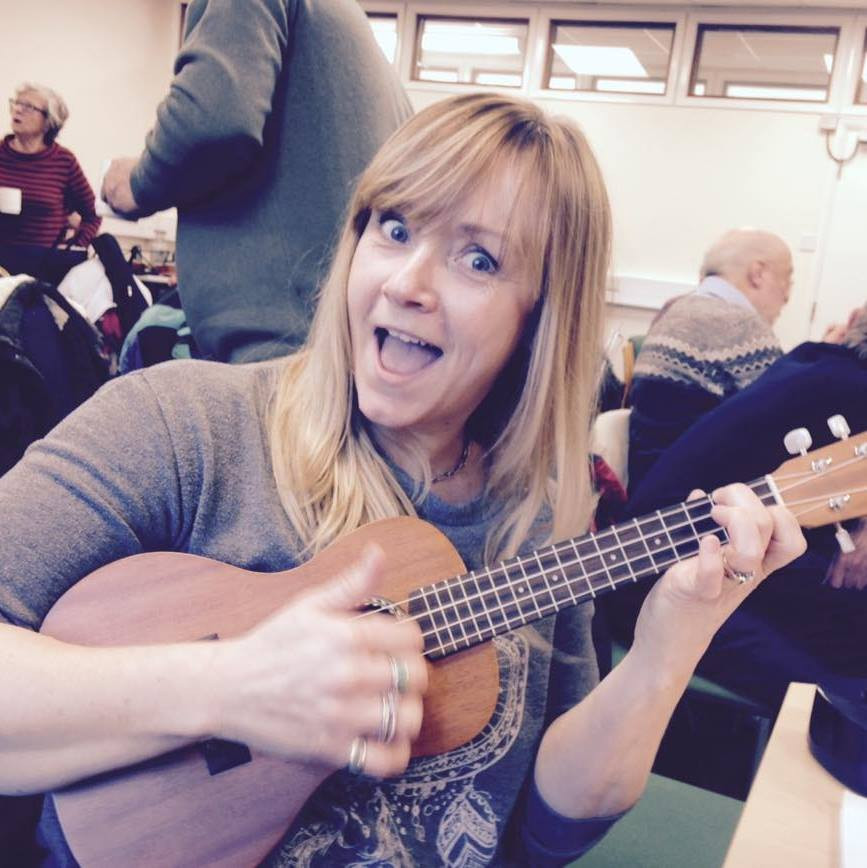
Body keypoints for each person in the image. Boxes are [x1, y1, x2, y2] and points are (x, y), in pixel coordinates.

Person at [0, 94, 805, 866]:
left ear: (540, 314)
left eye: (478, 259)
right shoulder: (183, 426)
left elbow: (538, 833)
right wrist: (225, 687)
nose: (406, 283)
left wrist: (670, 645)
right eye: (394, 228)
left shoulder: (539, 512)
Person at [102, 0, 411, 364]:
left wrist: (137, 183)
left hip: (275, 357)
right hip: (335, 355)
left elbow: (210, 120)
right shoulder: (355, 34)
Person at [607, 302, 867, 711]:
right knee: (841, 690)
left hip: (682, 553)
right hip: (661, 573)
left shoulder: (820, 364)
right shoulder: (847, 387)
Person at [627, 228, 793, 492]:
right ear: (758, 273)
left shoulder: (676, 308)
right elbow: (791, 417)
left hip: (648, 482)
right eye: (788, 279)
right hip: (693, 503)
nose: (787, 296)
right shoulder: (739, 325)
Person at [0, 83, 101, 280]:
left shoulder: (64, 161)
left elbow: (93, 214)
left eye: (29, 106)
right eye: (16, 103)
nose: (18, 109)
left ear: (49, 121)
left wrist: (76, 246)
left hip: (43, 270)